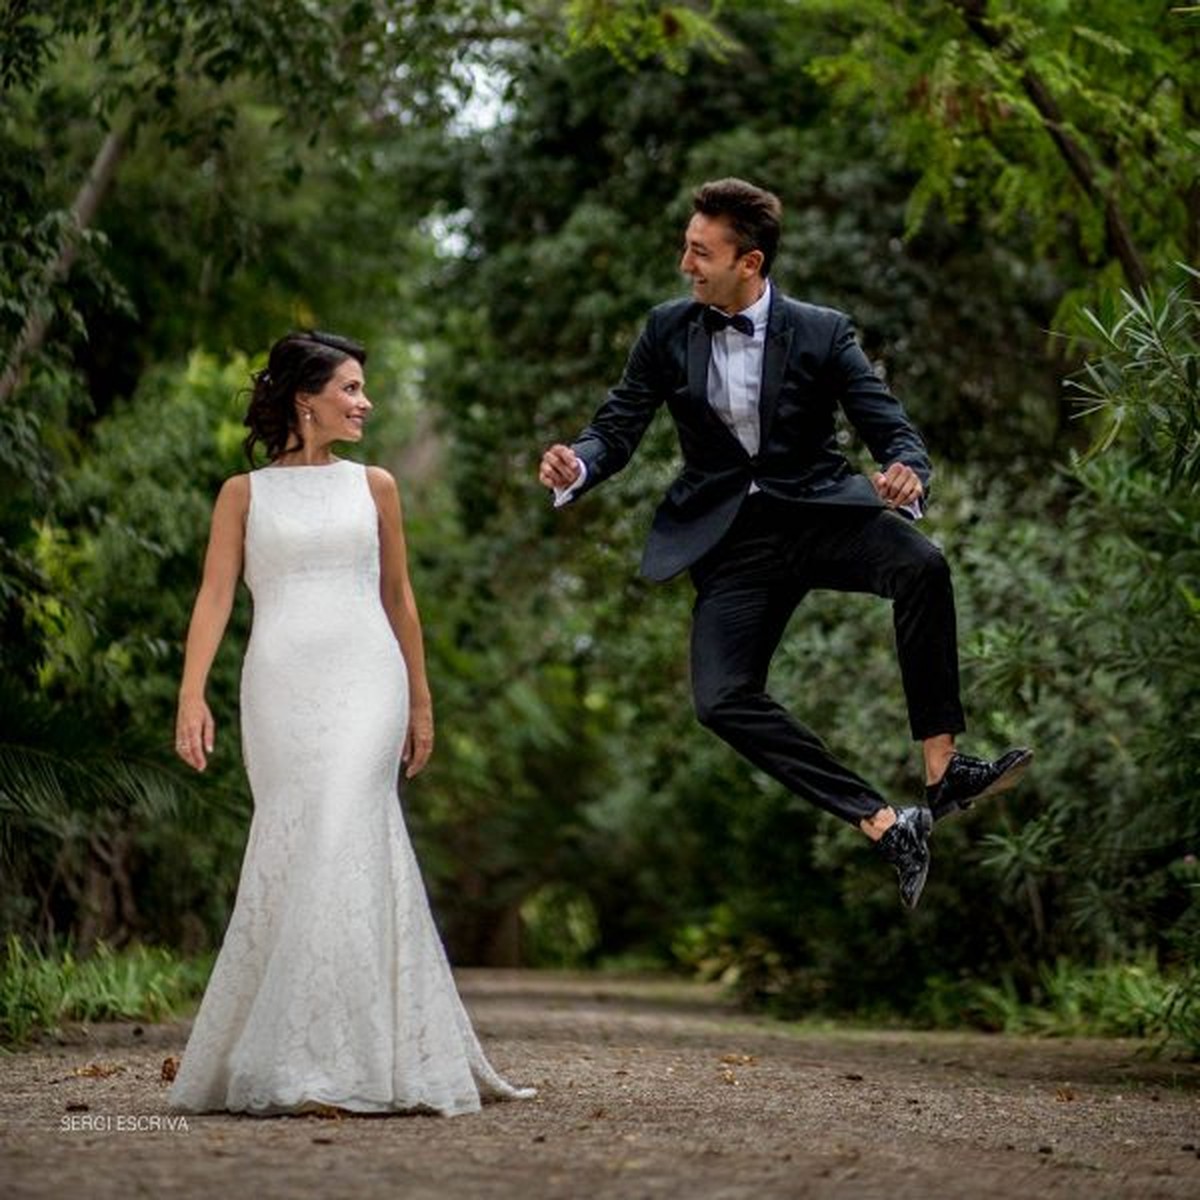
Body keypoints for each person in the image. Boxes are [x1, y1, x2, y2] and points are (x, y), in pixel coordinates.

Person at [538, 178, 1031, 909]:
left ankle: (944, 767)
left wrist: (906, 473)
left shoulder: (822, 331)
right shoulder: (667, 330)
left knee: (921, 566)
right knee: (721, 700)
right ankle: (887, 823)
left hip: (822, 514)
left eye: (701, 252)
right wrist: (579, 463)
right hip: (733, 541)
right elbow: (617, 427)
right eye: (686, 248)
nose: (685, 264)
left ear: (751, 262)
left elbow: (891, 427)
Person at [169, 330, 534, 1115]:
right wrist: (190, 694)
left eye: (364, 389)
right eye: (352, 388)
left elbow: (400, 600)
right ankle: (293, 1050)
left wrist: (423, 702)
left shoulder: (377, 486)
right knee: (296, 843)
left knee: (343, 827)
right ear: (308, 398)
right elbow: (214, 598)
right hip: (279, 686)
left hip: (370, 680)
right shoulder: (243, 494)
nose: (365, 402)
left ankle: (345, 1059)